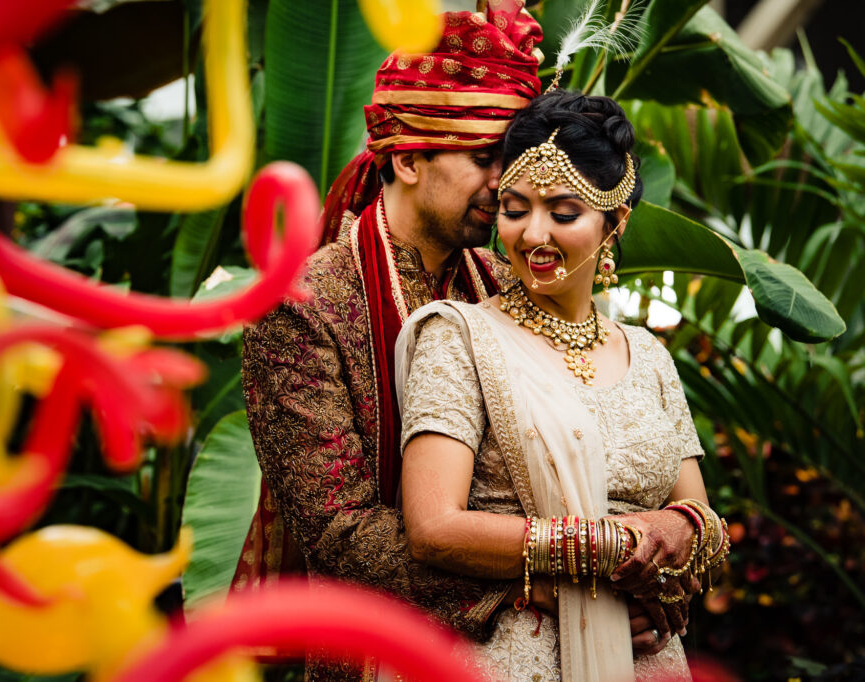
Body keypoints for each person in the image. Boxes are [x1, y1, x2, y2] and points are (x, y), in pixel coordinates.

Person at [239, 3, 544, 680]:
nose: (506, 184)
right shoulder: (302, 307)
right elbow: (339, 533)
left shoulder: (503, 285)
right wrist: (536, 584)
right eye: (484, 158)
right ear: (408, 160)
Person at [395, 90, 730, 682]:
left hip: (645, 658)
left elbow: (701, 517)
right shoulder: (459, 337)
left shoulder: (647, 355)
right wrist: (610, 552)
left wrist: (683, 534)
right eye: (515, 209)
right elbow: (433, 529)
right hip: (512, 654)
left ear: (614, 222)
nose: (533, 236)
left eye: (564, 213)